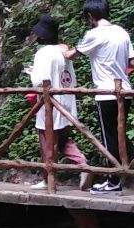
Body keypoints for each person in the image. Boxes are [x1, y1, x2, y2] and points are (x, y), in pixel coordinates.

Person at [69, 0, 134, 192]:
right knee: (119, 134)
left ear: (90, 16)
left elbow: (74, 55)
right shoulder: (122, 32)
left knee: (109, 137)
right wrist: (119, 71)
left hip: (106, 93)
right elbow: (133, 62)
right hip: (125, 90)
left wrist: (61, 50)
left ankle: (113, 181)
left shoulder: (94, 34)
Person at [27, 16, 89, 186]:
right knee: (62, 141)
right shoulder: (63, 51)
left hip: (50, 104)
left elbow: (39, 81)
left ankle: (49, 179)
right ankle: (83, 164)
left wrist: (31, 72)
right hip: (66, 102)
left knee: (46, 140)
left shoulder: (43, 53)